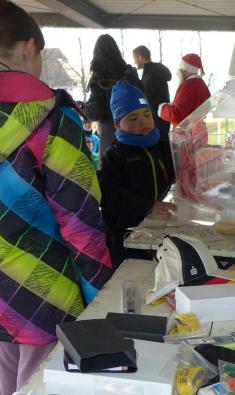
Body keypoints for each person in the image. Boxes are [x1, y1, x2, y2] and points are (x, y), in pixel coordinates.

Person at [0, 0, 113, 395]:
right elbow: (80, 223)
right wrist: (101, 300)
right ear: (29, 47)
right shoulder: (55, 119)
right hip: (49, 291)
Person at [99, 81, 176, 266]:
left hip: (158, 228)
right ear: (118, 125)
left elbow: (176, 175)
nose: (143, 121)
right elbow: (108, 195)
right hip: (127, 237)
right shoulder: (115, 155)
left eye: (147, 114)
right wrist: (148, 206)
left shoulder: (162, 147)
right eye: (133, 118)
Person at [84, 34, 143, 158]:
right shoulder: (130, 74)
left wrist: (84, 107)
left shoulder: (98, 76)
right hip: (136, 131)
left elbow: (96, 112)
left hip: (111, 135)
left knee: (112, 167)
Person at [158, 53, 211, 127]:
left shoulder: (189, 86)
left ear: (185, 70)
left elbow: (177, 115)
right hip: (198, 129)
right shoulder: (201, 84)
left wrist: (162, 108)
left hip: (188, 132)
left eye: (180, 68)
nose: (178, 71)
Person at [132, 45, 172, 140]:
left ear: (140, 57)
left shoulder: (152, 74)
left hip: (157, 121)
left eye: (135, 58)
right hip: (160, 119)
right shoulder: (153, 71)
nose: (134, 62)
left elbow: (144, 97)